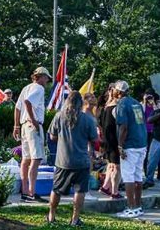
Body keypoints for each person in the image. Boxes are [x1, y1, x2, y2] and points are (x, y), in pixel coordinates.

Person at [47, 92, 98, 226]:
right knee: (80, 190)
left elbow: (52, 136)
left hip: (62, 161)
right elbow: (94, 139)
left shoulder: (59, 116)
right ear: (81, 103)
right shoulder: (87, 119)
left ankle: (51, 216)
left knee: (56, 189)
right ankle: (75, 219)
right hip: (81, 161)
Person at [13, 66, 52, 202]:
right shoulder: (38, 88)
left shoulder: (26, 88)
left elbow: (18, 107)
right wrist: (35, 121)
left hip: (24, 125)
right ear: (41, 77)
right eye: (46, 77)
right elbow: (27, 102)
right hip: (33, 125)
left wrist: (16, 125)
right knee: (36, 158)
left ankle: (25, 192)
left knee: (26, 159)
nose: (47, 81)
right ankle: (31, 192)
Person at [114, 80, 148, 219]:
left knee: (128, 176)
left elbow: (123, 127)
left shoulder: (122, 103)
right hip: (141, 143)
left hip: (130, 145)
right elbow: (140, 121)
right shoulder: (136, 103)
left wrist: (120, 145)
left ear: (119, 92)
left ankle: (131, 207)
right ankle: (138, 206)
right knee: (138, 175)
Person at [97, 84, 122, 199]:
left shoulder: (106, 107)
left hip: (107, 140)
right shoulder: (115, 107)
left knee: (111, 165)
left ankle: (106, 187)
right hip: (114, 141)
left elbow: (101, 125)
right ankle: (115, 191)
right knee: (117, 167)